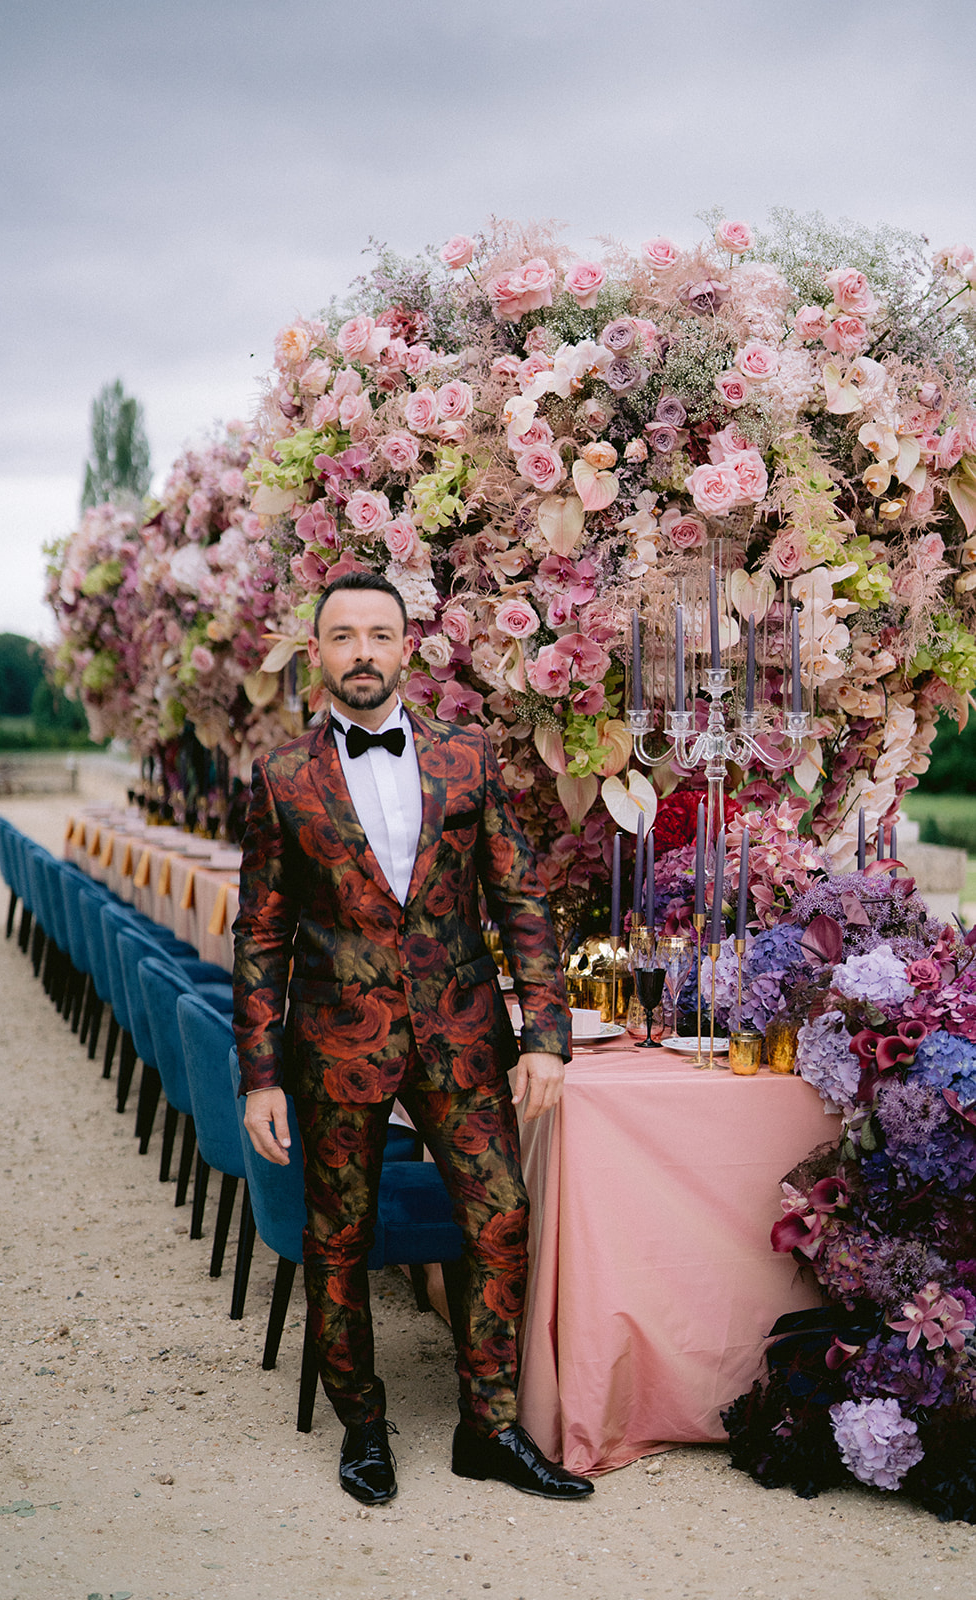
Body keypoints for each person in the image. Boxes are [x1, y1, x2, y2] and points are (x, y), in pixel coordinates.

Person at [232, 571, 592, 1505]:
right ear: (317, 657)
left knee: (501, 1218)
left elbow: (520, 901)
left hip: (463, 1035)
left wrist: (545, 1034)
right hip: (336, 1044)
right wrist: (260, 1075)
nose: (361, 652)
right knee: (340, 1239)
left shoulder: (470, 758)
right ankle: (362, 1427)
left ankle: (489, 1426)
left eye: (378, 635)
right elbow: (262, 934)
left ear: (406, 648)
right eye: (342, 637)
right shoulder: (280, 777)